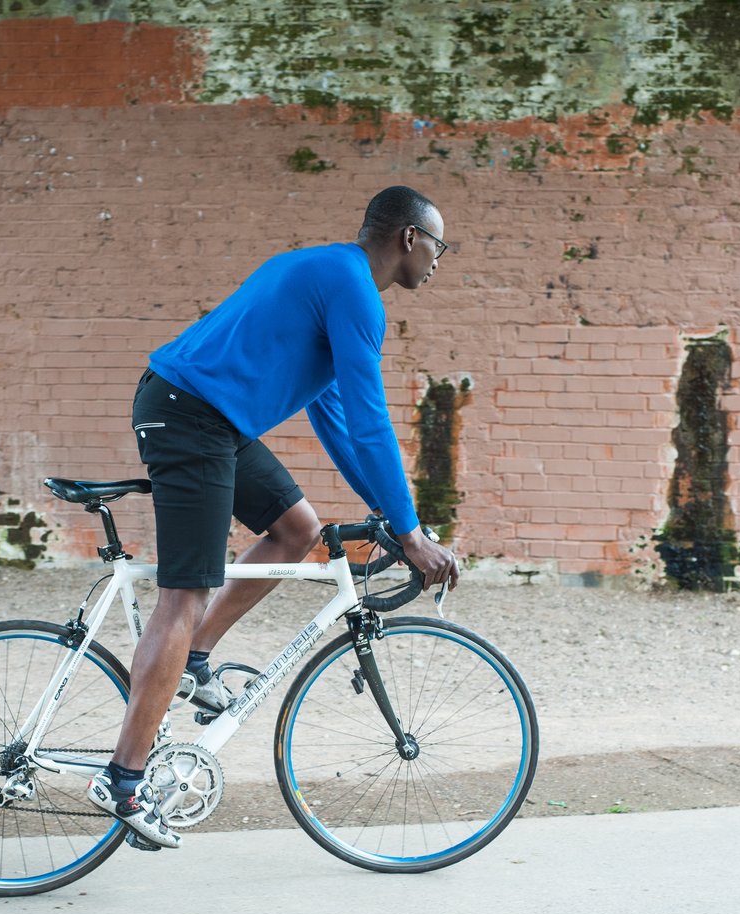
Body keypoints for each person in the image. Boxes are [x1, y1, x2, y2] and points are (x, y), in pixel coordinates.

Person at [85, 185, 461, 849]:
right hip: (190, 417)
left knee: (298, 532)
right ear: (408, 238)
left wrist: (393, 513)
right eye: (439, 244)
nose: (439, 258)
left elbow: (338, 417)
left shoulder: (331, 272)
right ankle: (124, 780)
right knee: (183, 594)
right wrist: (408, 532)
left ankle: (196, 658)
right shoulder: (352, 289)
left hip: (206, 417)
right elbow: (371, 419)